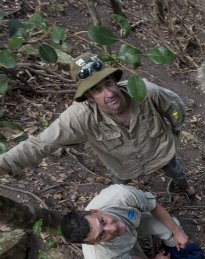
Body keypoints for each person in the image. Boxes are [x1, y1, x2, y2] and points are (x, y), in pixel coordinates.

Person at [0, 53, 195, 195]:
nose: (109, 93)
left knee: (174, 169)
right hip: (122, 166)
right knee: (120, 187)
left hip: (160, 152)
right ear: (89, 97)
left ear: (115, 80)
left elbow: (174, 106)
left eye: (108, 83)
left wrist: (176, 128)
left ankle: (184, 186)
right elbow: (40, 143)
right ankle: (128, 199)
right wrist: (5, 164)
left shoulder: (145, 91)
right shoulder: (80, 116)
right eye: (97, 90)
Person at [60, 184, 189, 259]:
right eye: (101, 235)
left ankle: (173, 250)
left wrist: (178, 232)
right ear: (93, 243)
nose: (113, 228)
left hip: (133, 226)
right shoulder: (101, 256)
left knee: (173, 227)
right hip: (116, 253)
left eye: (103, 221)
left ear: (96, 211)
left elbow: (153, 206)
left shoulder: (122, 196)